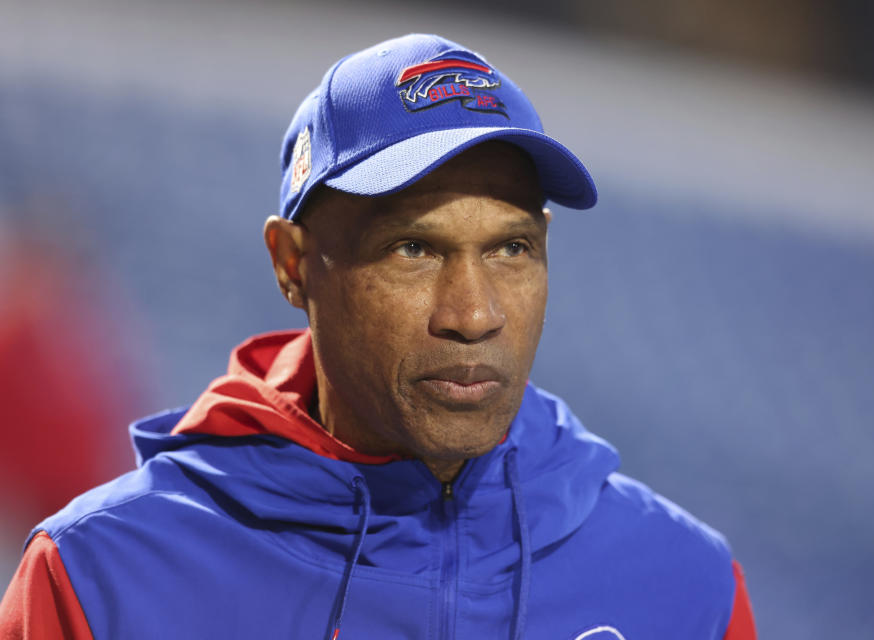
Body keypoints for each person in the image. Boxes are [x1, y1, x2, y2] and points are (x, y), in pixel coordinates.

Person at [0, 34, 756, 639]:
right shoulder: (102, 579)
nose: (473, 314)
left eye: (510, 249)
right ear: (292, 265)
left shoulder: (684, 583)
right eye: (413, 249)